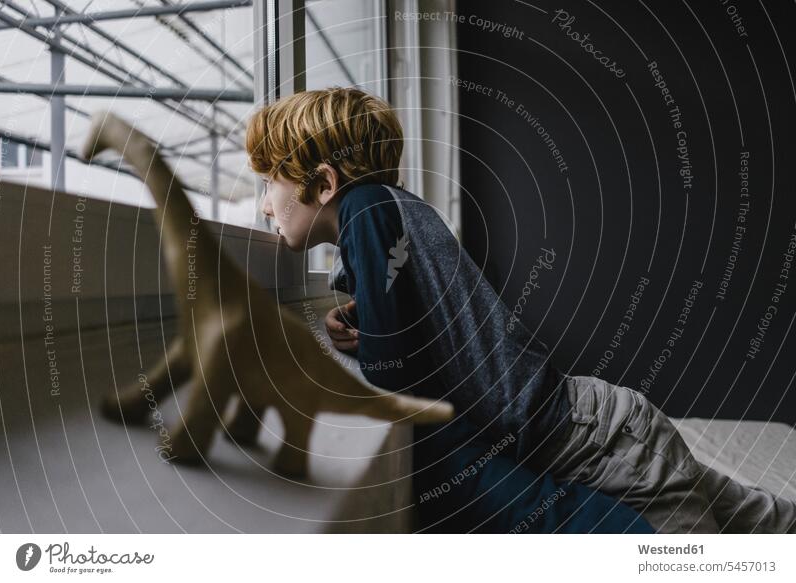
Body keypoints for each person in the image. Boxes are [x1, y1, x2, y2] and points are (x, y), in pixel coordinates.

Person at [245, 86, 796, 533]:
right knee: (760, 522)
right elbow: (428, 322)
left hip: (592, 444)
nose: (264, 203)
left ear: (322, 184)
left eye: (270, 182)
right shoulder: (389, 213)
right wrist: (368, 320)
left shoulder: (366, 210)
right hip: (603, 426)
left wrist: (354, 355)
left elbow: (395, 371)